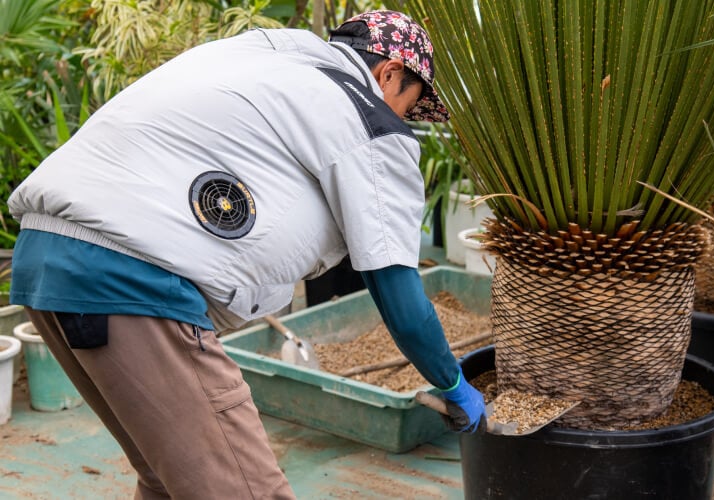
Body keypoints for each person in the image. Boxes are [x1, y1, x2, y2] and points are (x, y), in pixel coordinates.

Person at [7, 10, 486, 500]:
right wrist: (452, 382)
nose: (403, 118)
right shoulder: (367, 116)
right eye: (410, 104)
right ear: (388, 73)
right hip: (134, 281)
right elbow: (400, 298)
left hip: (47, 258)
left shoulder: (261, 57)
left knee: (167, 480)